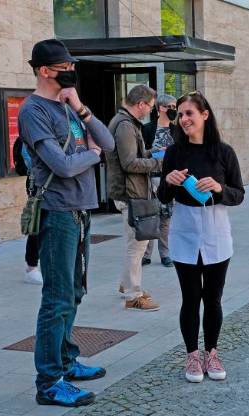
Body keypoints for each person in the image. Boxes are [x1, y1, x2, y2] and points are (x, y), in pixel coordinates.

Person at [18, 39, 114, 407]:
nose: (71, 71)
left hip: (80, 210)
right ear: (45, 71)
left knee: (74, 293)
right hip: (57, 213)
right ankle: (49, 381)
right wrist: (90, 154)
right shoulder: (33, 111)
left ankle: (67, 361)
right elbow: (62, 165)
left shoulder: (69, 108)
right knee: (56, 299)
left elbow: (105, 142)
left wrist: (80, 108)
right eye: (64, 67)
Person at [157, 91, 244, 383]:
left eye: (189, 113)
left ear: (205, 115)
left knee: (214, 299)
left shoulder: (223, 152)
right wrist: (168, 182)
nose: (183, 119)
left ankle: (212, 352)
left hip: (216, 230)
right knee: (190, 298)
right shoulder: (174, 153)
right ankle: (192, 355)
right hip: (184, 230)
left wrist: (219, 188)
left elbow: (238, 194)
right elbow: (162, 196)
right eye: (180, 114)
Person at [106, 85, 163, 312]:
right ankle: (133, 295)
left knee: (137, 242)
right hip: (130, 193)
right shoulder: (125, 126)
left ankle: (126, 284)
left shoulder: (125, 123)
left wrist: (153, 153)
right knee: (137, 245)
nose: (150, 110)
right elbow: (129, 163)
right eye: (150, 106)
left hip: (130, 191)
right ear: (141, 104)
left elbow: (134, 156)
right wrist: (159, 163)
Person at [141, 94, 179, 267]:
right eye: (170, 106)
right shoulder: (147, 129)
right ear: (161, 108)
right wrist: (153, 150)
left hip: (168, 180)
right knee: (150, 217)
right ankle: (146, 254)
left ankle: (165, 254)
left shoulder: (177, 130)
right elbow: (140, 153)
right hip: (149, 178)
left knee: (165, 219)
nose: (173, 110)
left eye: (174, 106)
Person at [13, 136, 43, 285]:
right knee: (36, 224)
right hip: (37, 184)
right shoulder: (29, 133)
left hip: (50, 184)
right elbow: (30, 162)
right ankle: (31, 267)